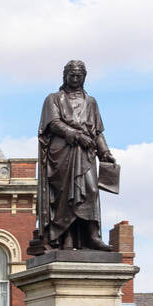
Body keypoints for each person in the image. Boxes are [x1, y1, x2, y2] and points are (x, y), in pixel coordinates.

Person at [34, 60, 116, 251]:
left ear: (84, 77)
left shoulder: (91, 102)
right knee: (65, 196)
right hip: (63, 152)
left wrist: (105, 152)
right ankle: (66, 237)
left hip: (86, 153)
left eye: (80, 75)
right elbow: (53, 123)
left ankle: (92, 236)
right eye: (72, 75)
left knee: (90, 191)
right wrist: (76, 135)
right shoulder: (53, 98)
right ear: (65, 76)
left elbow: (97, 132)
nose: (76, 78)